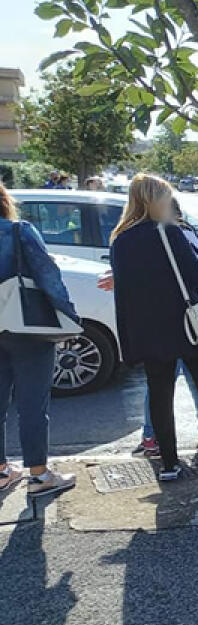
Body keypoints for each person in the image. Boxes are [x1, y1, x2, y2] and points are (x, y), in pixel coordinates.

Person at [109, 174, 198, 482]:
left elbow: (124, 296)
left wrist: (128, 342)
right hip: (188, 326)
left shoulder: (121, 240)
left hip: (149, 329)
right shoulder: (173, 232)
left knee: (159, 393)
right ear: (159, 199)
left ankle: (168, 463)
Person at [0, 181, 78, 496]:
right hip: (25, 326)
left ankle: (2, 470)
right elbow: (48, 275)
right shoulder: (19, 231)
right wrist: (69, 316)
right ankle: (38, 474)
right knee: (33, 403)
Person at [131, 200, 198, 455]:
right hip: (190, 324)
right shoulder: (183, 233)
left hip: (154, 326)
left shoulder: (128, 237)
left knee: (158, 389)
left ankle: (155, 442)